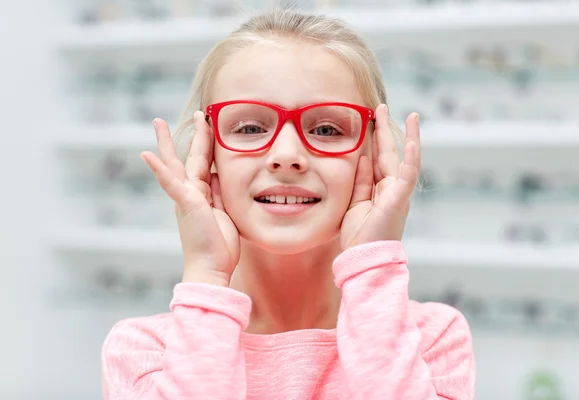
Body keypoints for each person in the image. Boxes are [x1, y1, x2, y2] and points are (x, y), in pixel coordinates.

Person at [101, 8, 476, 400]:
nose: (286, 155)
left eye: (327, 129)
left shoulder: (432, 342)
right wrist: (206, 274)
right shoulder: (145, 354)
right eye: (249, 128)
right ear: (207, 151)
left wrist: (373, 264)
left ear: (374, 149)